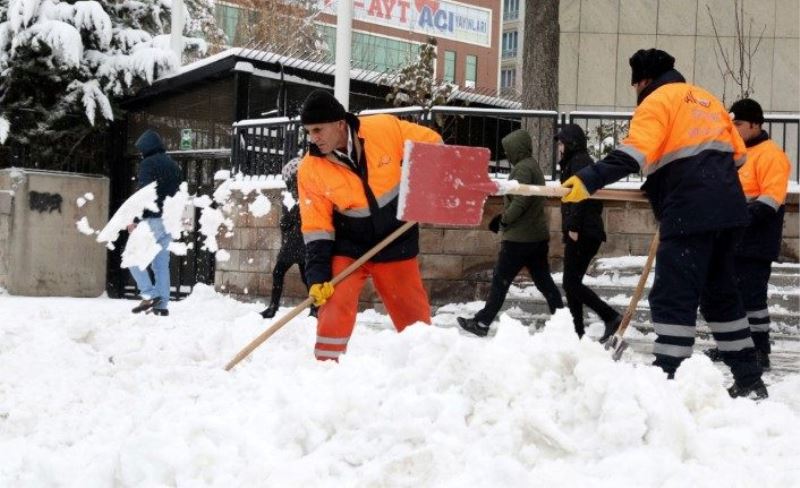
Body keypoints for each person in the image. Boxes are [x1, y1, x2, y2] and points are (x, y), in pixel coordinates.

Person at [561, 48, 767, 399]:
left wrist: (587, 180)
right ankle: (750, 380)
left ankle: (666, 380)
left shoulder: (655, 103)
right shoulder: (707, 100)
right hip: (729, 210)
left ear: (643, 80)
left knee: (673, 296)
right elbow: (738, 157)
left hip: (690, 210)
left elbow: (633, 154)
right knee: (721, 298)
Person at [296, 90, 442, 361]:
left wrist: (425, 193)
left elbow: (432, 143)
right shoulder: (310, 169)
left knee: (414, 319)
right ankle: (325, 369)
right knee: (334, 303)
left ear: (339, 123)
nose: (312, 138)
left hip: (395, 239)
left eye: (318, 129)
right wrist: (317, 277)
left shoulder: (384, 129)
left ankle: (425, 367)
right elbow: (316, 227)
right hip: (349, 247)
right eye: (308, 131)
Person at [705, 99, 791, 370]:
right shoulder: (736, 155)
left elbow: (769, 201)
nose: (734, 129)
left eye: (738, 124)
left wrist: (734, 219)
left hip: (755, 242)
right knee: (731, 297)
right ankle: (734, 346)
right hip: (732, 239)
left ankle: (760, 350)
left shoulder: (772, 155)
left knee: (753, 300)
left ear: (755, 124)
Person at [458, 129, 564, 337]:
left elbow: (521, 200)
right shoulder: (532, 166)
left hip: (519, 240)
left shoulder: (523, 169)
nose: (507, 154)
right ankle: (565, 320)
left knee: (500, 281)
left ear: (517, 149)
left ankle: (482, 323)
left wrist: (504, 220)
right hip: (535, 237)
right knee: (543, 281)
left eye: (509, 150)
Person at [556, 124, 622, 341]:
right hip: (581, 230)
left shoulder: (580, 162)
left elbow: (583, 197)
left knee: (571, 283)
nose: (559, 147)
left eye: (562, 142)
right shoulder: (574, 162)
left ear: (571, 144)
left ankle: (610, 316)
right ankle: (577, 331)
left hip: (584, 232)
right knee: (572, 283)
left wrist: (573, 227)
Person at [127, 129, 181, 316]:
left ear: (146, 148)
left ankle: (149, 295)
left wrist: (135, 219)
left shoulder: (147, 164)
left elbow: (145, 193)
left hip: (152, 219)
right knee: (160, 265)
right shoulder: (174, 166)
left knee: (132, 257)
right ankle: (162, 305)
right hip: (169, 220)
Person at [259, 158, 316, 319]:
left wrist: (286, 220)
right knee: (306, 277)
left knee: (279, 272)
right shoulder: (302, 191)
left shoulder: (300, 192)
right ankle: (315, 307)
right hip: (303, 240)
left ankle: (273, 307)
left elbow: (290, 219)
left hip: (296, 242)